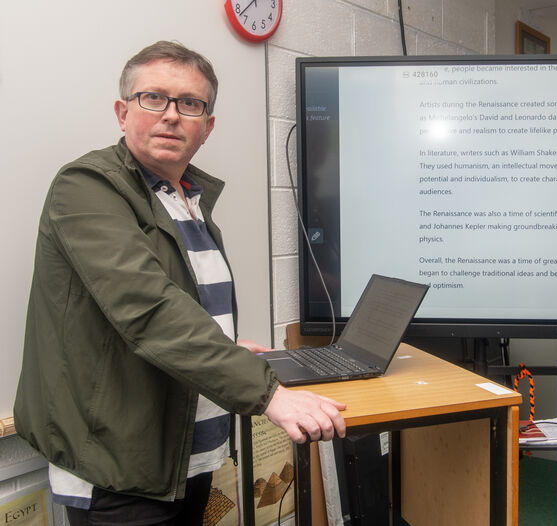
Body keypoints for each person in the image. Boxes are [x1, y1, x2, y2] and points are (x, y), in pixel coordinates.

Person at [13, 40, 346, 525]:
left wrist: (230, 348)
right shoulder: (86, 187)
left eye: (190, 104)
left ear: (206, 127)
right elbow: (149, 309)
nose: (171, 115)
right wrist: (269, 393)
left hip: (188, 460)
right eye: (154, 98)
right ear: (122, 112)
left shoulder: (188, 198)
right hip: (122, 470)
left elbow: (182, 307)